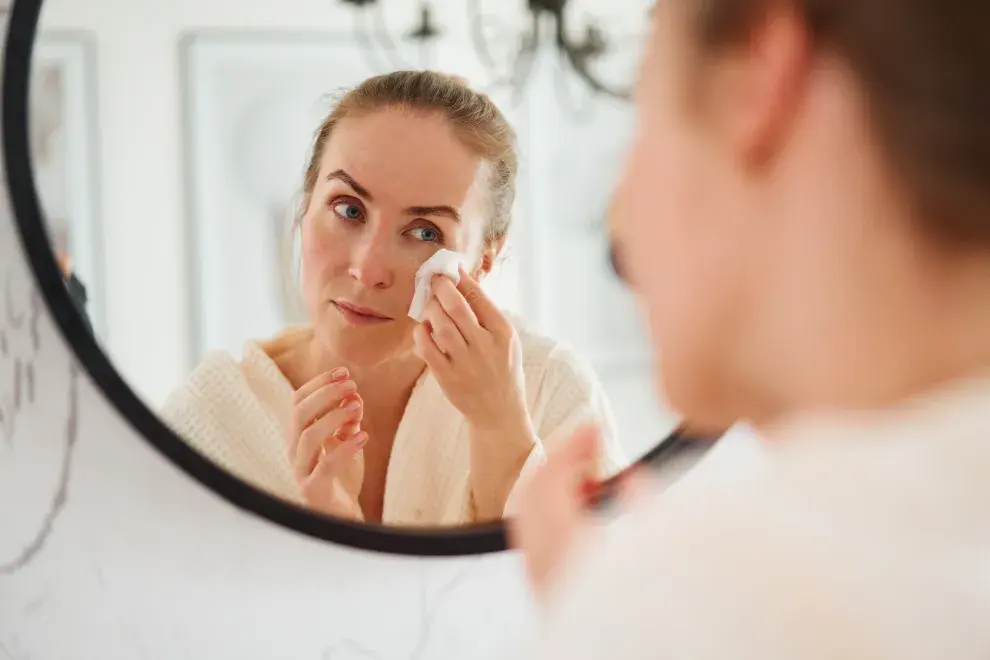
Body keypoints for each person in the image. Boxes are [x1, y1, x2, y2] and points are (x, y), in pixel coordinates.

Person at [511, 0, 990, 658]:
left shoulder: (704, 595)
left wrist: (618, 614)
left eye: (646, 111)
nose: (618, 218)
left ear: (755, 71)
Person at [161, 70, 626, 525]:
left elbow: (599, 595)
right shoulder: (210, 423)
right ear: (306, 204)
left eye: (425, 232)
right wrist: (333, 532)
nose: (368, 269)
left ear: (484, 259)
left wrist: (501, 431)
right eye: (348, 209)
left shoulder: (551, 390)